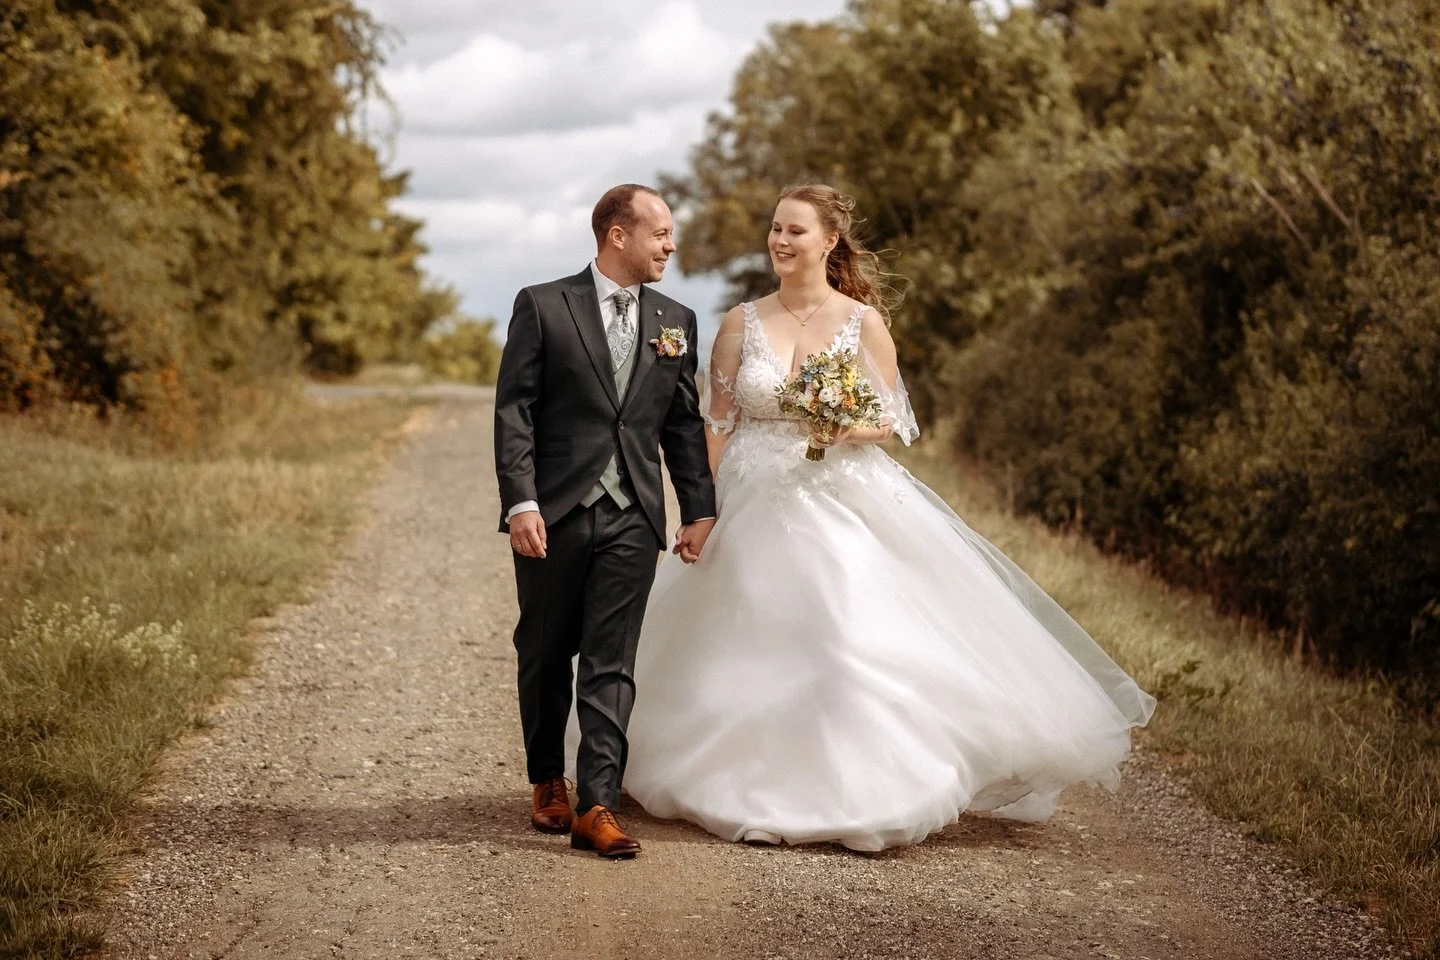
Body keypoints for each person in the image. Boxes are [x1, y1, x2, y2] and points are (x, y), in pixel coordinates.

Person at [622, 184, 1156, 851]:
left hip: (838, 494)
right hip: (751, 498)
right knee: (740, 640)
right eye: (775, 230)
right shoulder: (740, 324)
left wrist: (842, 423)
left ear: (829, 241)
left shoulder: (862, 322)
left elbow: (891, 421)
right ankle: (733, 776)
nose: (781, 243)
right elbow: (717, 427)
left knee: (842, 635)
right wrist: (699, 512)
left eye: (795, 231)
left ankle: (861, 789)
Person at [493, 184, 716, 858]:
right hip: (555, 513)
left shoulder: (676, 318)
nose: (671, 246)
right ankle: (546, 780)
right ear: (618, 234)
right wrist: (522, 500)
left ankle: (598, 805)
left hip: (633, 516)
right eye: (661, 233)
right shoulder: (543, 306)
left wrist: (698, 507)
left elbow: (681, 423)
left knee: (611, 663)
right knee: (544, 650)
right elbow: (515, 412)